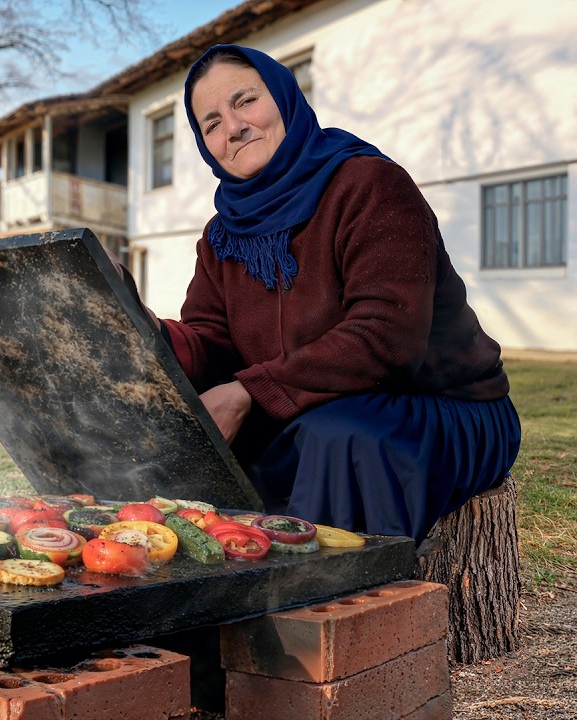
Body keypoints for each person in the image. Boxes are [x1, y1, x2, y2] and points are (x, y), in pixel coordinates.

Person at [154, 44, 520, 541]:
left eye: (245, 101)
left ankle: (333, 604)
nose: (233, 127)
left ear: (285, 98)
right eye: (211, 122)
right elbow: (213, 340)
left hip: (440, 407)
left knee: (341, 440)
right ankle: (214, 599)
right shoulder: (222, 235)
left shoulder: (369, 185)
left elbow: (386, 338)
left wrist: (249, 392)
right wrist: (144, 331)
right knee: (202, 446)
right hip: (306, 406)